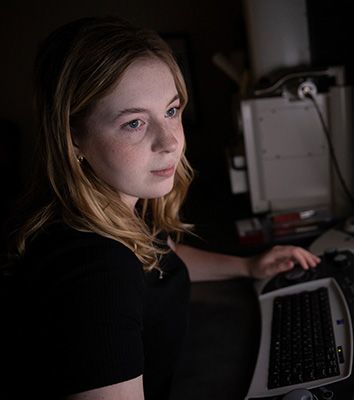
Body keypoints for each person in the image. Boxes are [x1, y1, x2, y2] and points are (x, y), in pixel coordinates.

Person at [0, 16, 320, 399]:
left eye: (171, 111)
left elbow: (154, 255)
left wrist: (247, 266)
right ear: (73, 139)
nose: (169, 141)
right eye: (134, 123)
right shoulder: (95, 272)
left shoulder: (102, 212)